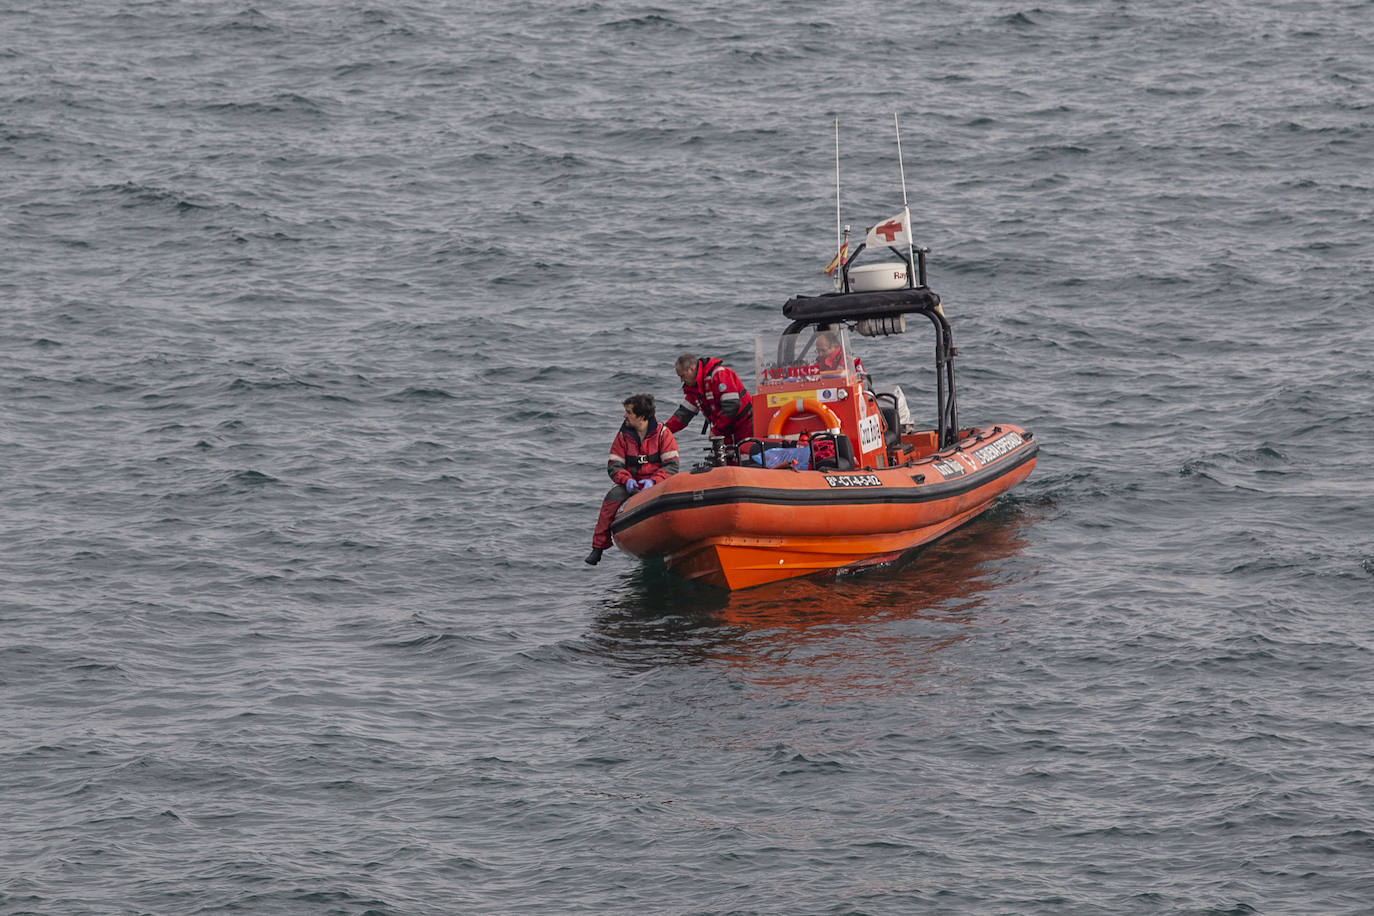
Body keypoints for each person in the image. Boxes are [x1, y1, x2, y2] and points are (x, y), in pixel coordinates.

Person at [585, 393, 679, 566]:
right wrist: (627, 480)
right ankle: (598, 547)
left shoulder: (663, 434)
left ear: (641, 416)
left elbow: (672, 466)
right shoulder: (622, 436)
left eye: (629, 412)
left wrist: (654, 481)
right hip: (631, 483)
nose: (625, 416)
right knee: (611, 499)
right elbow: (614, 465)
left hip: (658, 483)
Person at [664, 353, 754, 454]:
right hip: (726, 432)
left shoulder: (719, 375)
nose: (681, 380)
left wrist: (716, 430)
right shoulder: (695, 389)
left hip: (745, 427)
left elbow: (732, 405)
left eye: (682, 376)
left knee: (746, 459)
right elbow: (683, 415)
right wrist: (663, 431)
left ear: (692, 368)